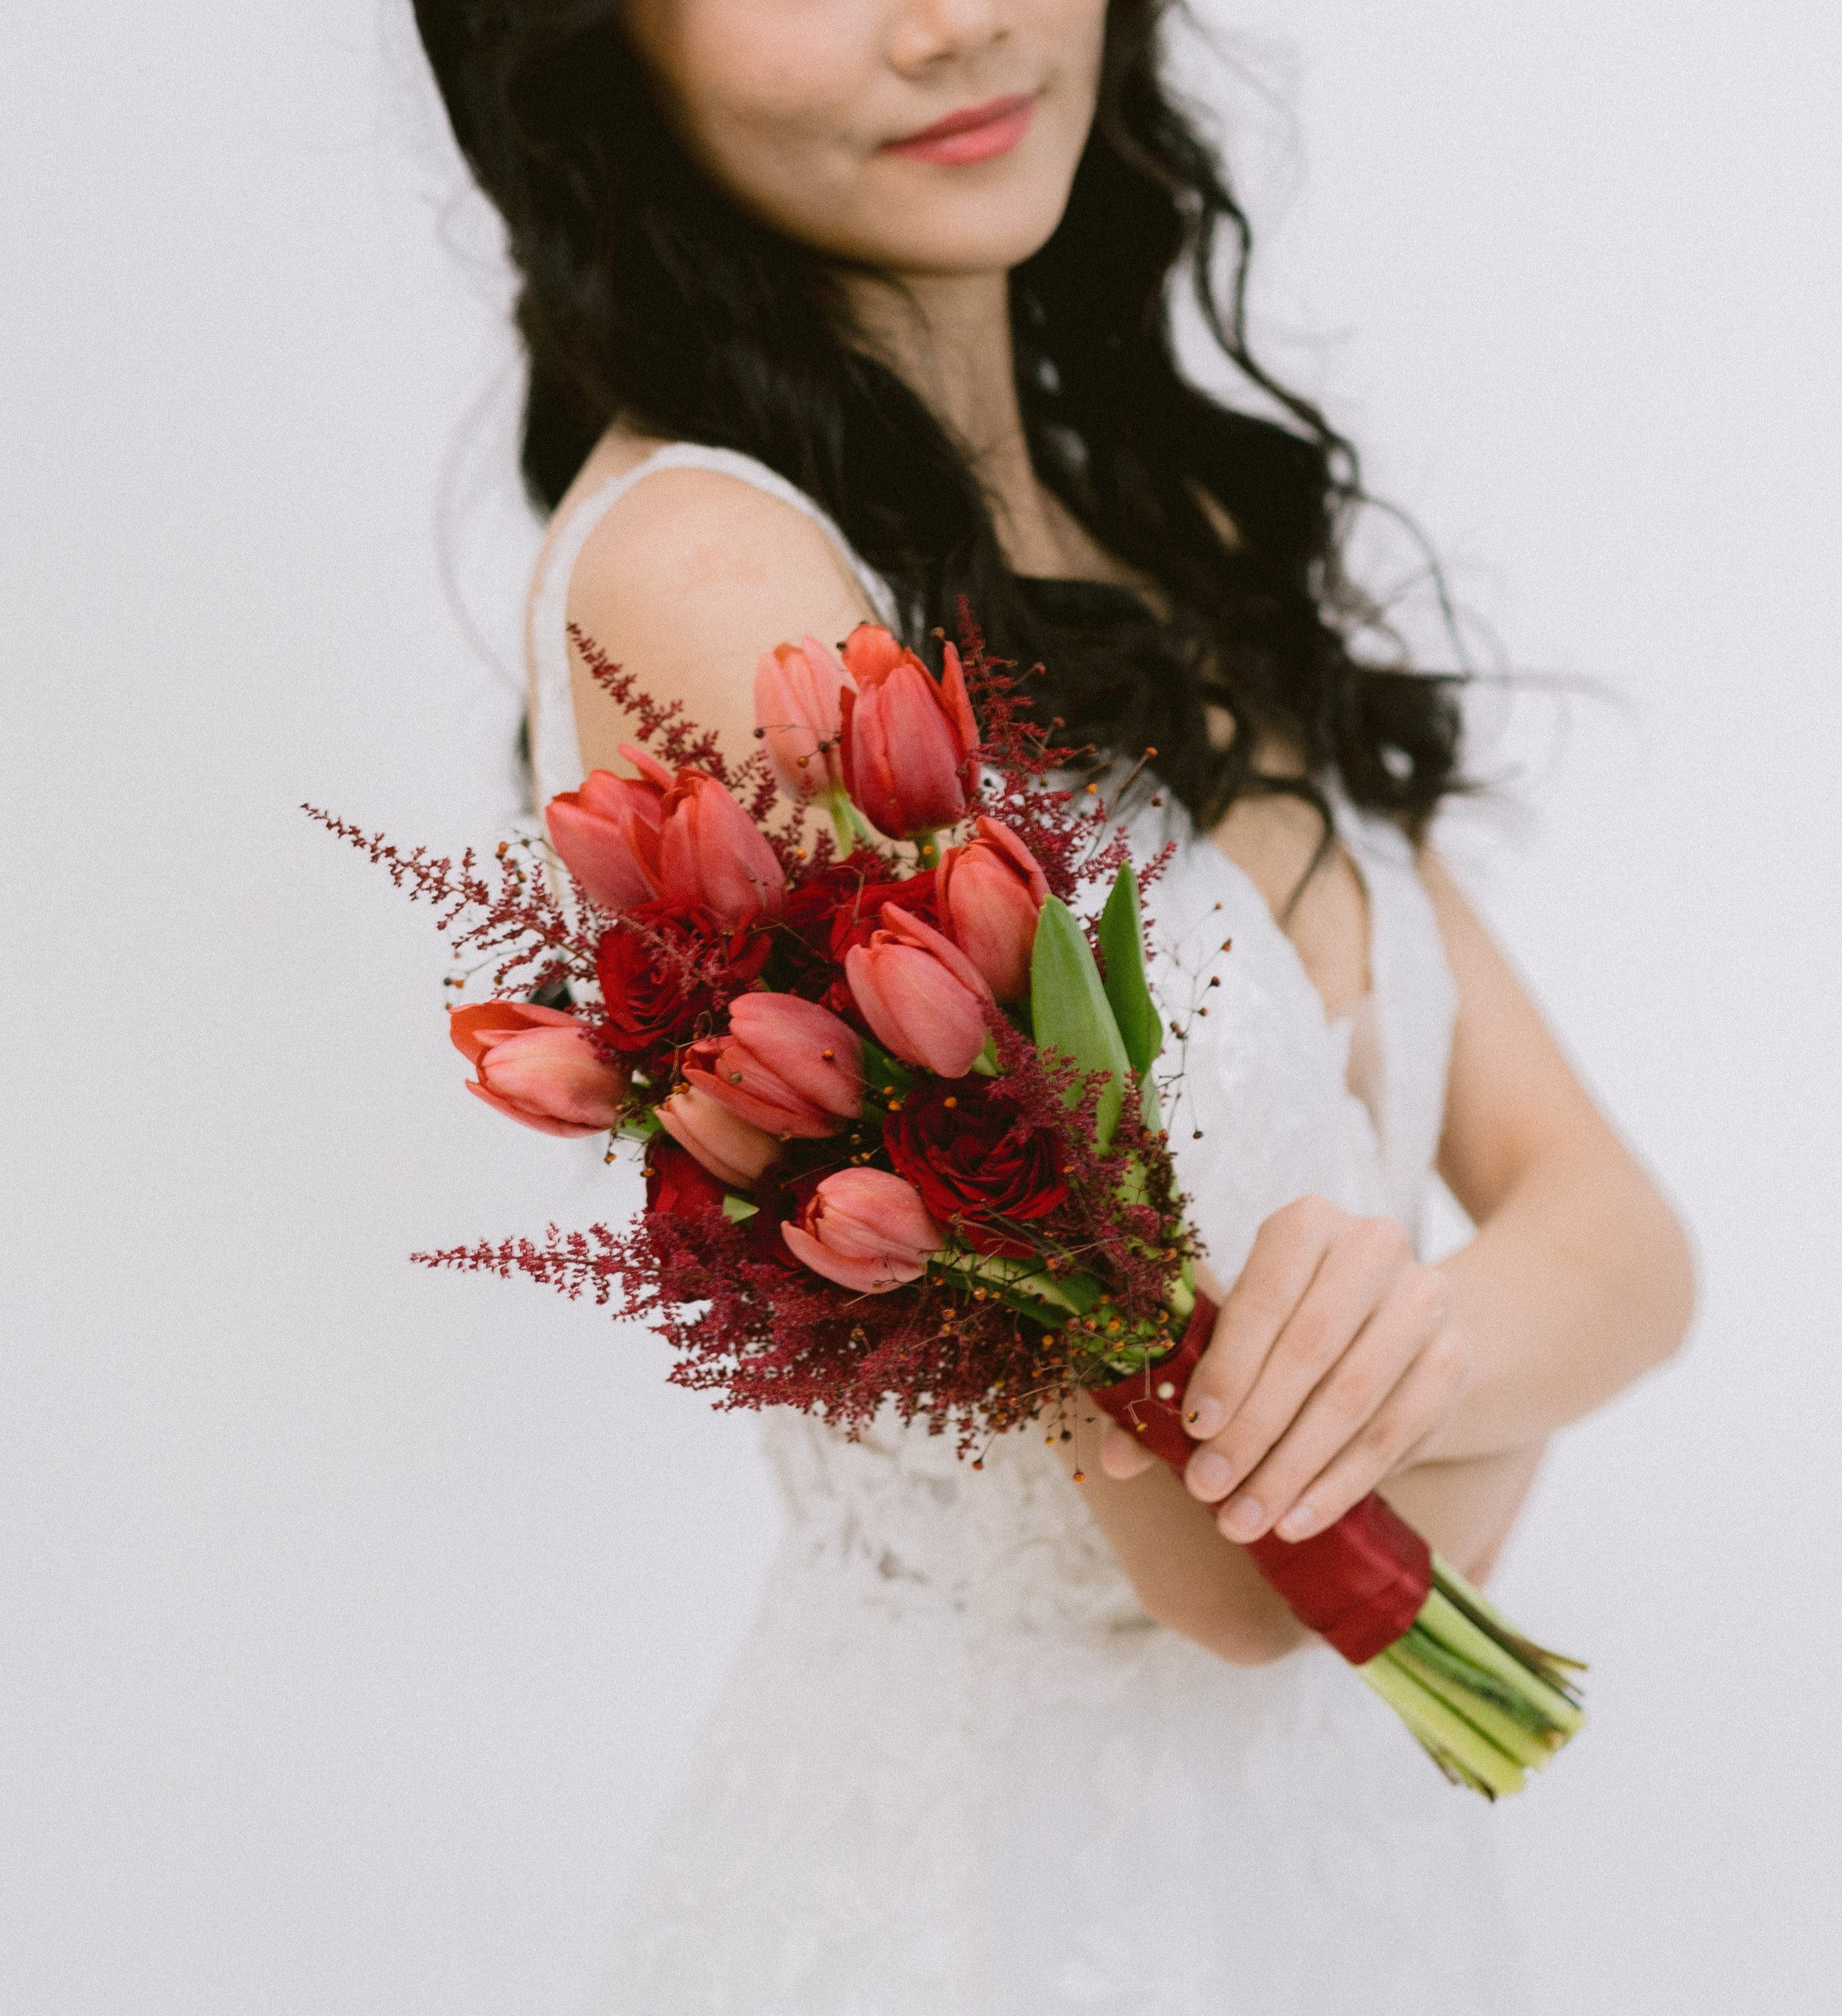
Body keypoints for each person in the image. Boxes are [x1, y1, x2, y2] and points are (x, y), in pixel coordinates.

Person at [416, 3, 1693, 2008]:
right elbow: (1230, 1579)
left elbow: (1629, 1239)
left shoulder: (1160, 532)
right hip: (993, 1911)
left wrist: (1410, 1349)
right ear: (583, 47)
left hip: (1329, 1874)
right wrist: (1468, 1372)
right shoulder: (706, 576)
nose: (962, 21)